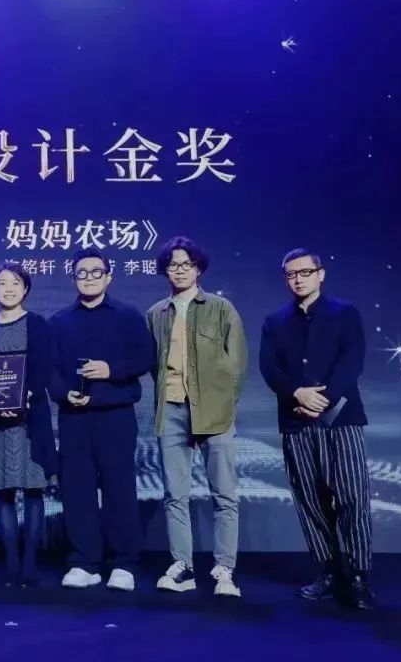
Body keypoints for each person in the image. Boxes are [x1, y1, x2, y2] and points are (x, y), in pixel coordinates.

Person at [259, 248, 375, 609]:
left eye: (305, 272)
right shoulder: (275, 321)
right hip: (295, 420)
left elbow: (353, 361)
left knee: (352, 497)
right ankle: (327, 571)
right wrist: (297, 393)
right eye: (291, 274)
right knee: (310, 499)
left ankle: (358, 577)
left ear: (320, 274)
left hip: (341, 419)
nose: (298, 279)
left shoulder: (344, 313)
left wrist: (323, 399)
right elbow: (269, 368)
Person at [146, 236, 247, 598]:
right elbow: (153, 365)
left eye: (186, 264)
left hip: (215, 413)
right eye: (173, 265)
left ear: (199, 269)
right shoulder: (155, 313)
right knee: (175, 494)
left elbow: (237, 365)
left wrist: (224, 405)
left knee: (224, 494)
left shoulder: (221, 308)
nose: (179, 270)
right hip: (172, 409)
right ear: (165, 270)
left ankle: (225, 569)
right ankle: (183, 567)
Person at [49, 249, 153, 591]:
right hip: (74, 418)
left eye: (96, 272)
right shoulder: (60, 321)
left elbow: (146, 358)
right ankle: (84, 562)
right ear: (73, 279)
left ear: (109, 276)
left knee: (119, 488)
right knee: (76, 490)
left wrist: (112, 370)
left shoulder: (128, 315)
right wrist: (64, 394)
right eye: (82, 273)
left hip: (115, 415)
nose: (89, 278)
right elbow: (50, 370)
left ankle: (124, 562)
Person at [0, 263, 58, 587]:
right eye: (2, 283)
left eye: (15, 283)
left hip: (28, 421)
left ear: (26, 289)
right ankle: (11, 564)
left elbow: (43, 368)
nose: (8, 289)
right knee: (3, 493)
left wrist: (21, 399)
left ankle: (30, 565)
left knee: (33, 492)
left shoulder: (36, 324)